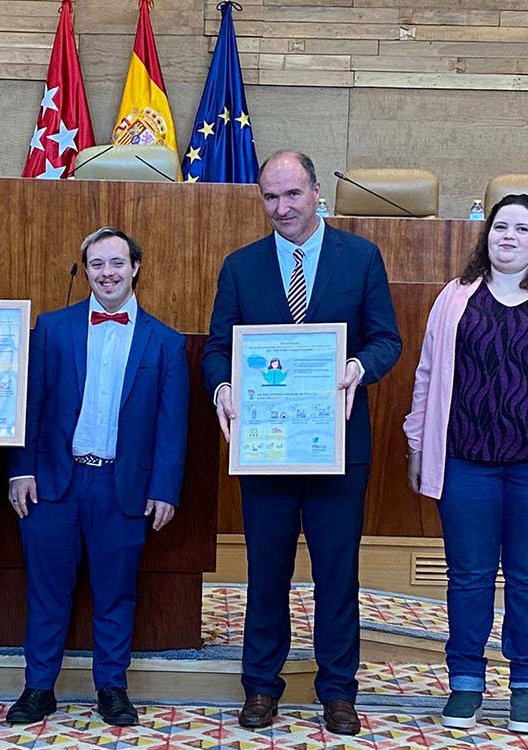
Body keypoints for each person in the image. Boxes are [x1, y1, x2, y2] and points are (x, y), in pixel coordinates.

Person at [202, 151, 402, 734]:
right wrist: (221, 388)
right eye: (270, 197)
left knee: (337, 575)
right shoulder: (241, 266)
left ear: (317, 192)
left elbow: (386, 339)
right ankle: (261, 687)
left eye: (292, 194)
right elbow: (219, 347)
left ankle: (338, 690)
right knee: (266, 572)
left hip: (337, 448)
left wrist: (359, 366)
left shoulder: (360, 257)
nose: (282, 208)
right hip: (265, 449)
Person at [404, 193, 528, 735]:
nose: (509, 237)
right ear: (486, 235)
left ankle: (527, 687)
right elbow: (427, 375)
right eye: (500, 227)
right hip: (465, 464)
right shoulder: (455, 297)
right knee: (468, 578)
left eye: (521, 228)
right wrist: (416, 443)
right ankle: (466, 684)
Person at [6, 226, 189, 727]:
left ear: (135, 268)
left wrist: (164, 489)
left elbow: (172, 425)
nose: (107, 273)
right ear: (84, 271)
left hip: (122, 487)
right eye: (96, 265)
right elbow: (31, 405)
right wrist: (20, 469)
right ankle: (38, 688)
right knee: (46, 592)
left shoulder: (166, 343)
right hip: (53, 484)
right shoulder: (52, 329)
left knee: (116, 592)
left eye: (116, 263)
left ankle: (112, 687)